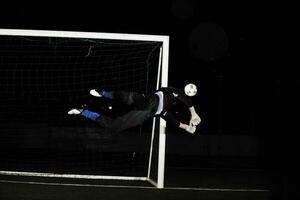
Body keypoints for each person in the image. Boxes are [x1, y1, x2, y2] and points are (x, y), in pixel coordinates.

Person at [68, 85, 201, 134]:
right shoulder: (172, 92)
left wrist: (186, 127)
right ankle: (103, 93)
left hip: (145, 112)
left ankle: (83, 111)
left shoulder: (165, 112)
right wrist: (193, 113)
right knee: (127, 97)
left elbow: (173, 121)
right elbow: (185, 99)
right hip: (149, 101)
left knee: (115, 127)